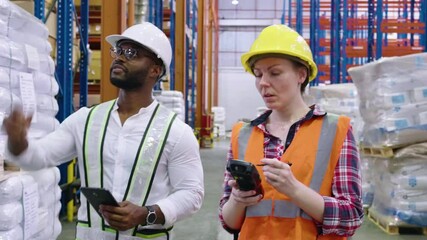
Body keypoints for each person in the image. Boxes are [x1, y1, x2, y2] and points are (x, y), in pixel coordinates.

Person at [3, 22, 204, 240]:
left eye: (131, 53)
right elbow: (40, 157)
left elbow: (191, 194)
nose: (119, 57)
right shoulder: (86, 120)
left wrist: (146, 214)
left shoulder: (175, 132)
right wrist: (19, 142)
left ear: (155, 70)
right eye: (118, 51)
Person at [219, 24, 363, 239]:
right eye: (258, 75)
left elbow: (351, 217)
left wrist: (295, 190)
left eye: (275, 73)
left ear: (301, 75)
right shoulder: (243, 134)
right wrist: (238, 200)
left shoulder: (336, 130)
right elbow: (229, 222)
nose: (263, 83)